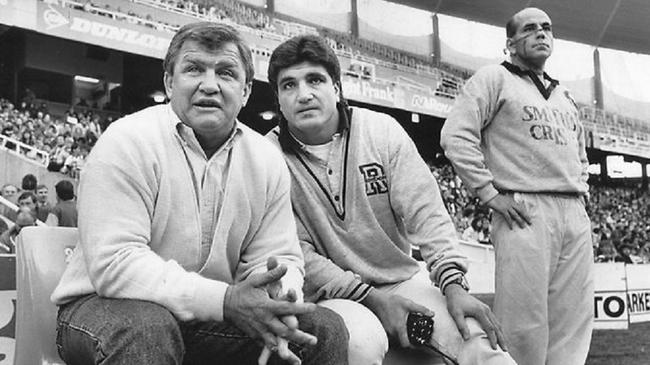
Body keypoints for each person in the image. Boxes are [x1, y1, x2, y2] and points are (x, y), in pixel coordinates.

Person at [51, 23, 348, 365]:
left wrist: (279, 298)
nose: (210, 85)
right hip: (101, 305)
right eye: (194, 69)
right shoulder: (126, 140)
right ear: (169, 82)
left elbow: (278, 256)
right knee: (147, 329)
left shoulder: (266, 158)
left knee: (322, 328)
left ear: (246, 90)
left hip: (208, 314)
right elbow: (116, 266)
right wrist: (225, 300)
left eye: (225, 72)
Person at [265, 34, 514, 365]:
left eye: (315, 80)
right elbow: (298, 255)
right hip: (330, 297)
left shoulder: (380, 131)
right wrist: (372, 300)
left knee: (474, 334)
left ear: (337, 88)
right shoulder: (266, 156)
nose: (304, 94)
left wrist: (454, 284)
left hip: (401, 280)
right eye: (289, 85)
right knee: (360, 345)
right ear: (279, 99)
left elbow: (427, 213)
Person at [440, 8, 594, 365]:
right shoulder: (494, 78)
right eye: (529, 29)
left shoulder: (564, 95)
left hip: (572, 207)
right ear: (510, 42)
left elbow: (581, 154)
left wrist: (582, 193)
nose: (541, 33)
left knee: (573, 320)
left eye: (546, 28)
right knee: (523, 322)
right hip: (525, 207)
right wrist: (490, 193)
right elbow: (455, 136)